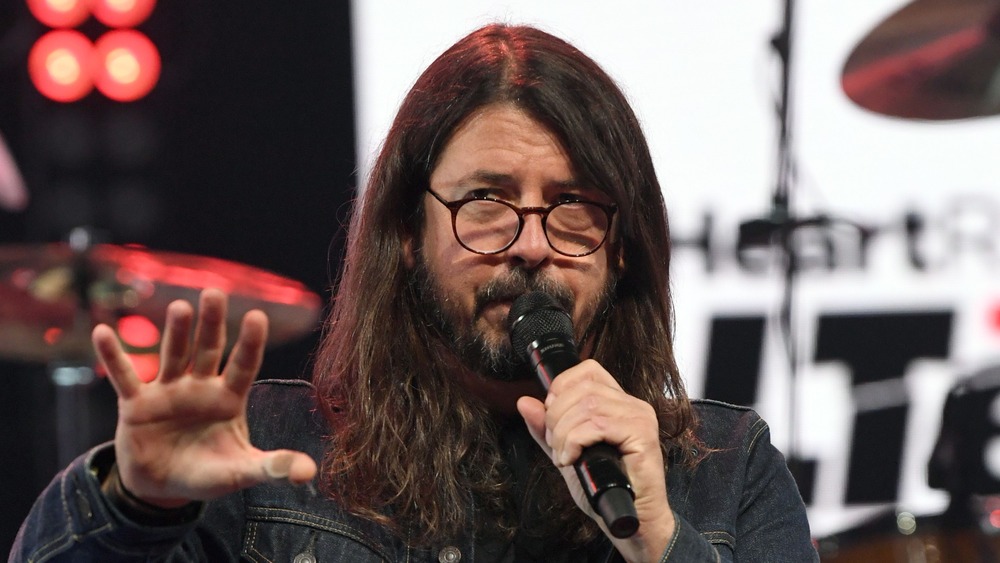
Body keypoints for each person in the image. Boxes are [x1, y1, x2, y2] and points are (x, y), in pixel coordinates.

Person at [10, 23, 817, 562]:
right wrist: (136, 502)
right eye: (488, 202)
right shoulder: (264, 457)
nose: (534, 243)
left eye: (574, 209)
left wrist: (663, 542)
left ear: (625, 249)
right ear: (406, 232)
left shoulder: (726, 470)